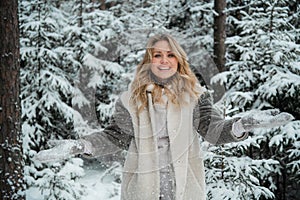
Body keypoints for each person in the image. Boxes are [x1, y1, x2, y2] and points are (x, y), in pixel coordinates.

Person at [35, 34, 294, 200]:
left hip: (184, 187)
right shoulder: (130, 99)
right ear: (148, 61)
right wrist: (81, 145)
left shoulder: (196, 96)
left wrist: (240, 125)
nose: (163, 60)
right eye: (157, 55)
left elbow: (212, 130)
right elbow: (116, 136)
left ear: (179, 61)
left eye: (170, 55)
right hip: (143, 186)